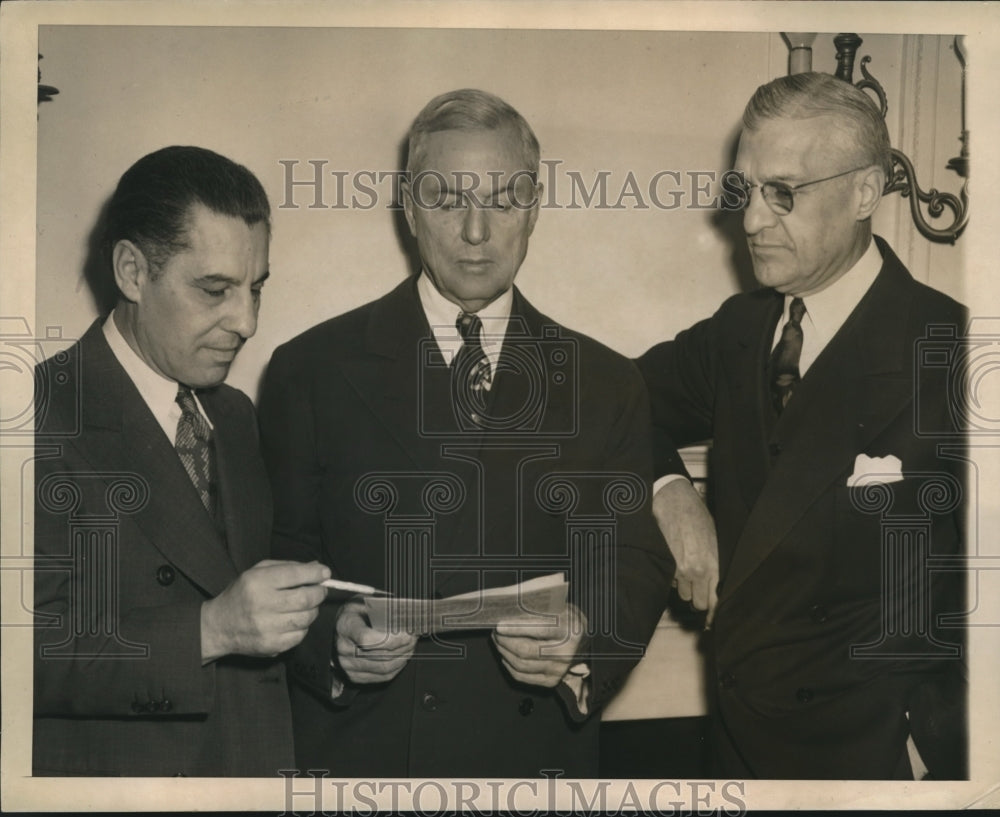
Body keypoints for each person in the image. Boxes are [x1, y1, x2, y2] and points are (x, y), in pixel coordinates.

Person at [258, 88, 680, 777]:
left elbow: (631, 561)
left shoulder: (606, 382)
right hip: (366, 755)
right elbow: (277, 555)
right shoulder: (311, 369)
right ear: (409, 208)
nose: (477, 231)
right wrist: (333, 639)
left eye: (505, 200)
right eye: (449, 198)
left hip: (531, 757)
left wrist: (582, 635)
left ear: (535, 208)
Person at [637, 72, 967, 779]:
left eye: (782, 192)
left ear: (864, 192)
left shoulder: (956, 352)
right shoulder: (739, 330)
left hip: (876, 763)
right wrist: (668, 488)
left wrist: (942, 760)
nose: (752, 220)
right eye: (745, 191)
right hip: (735, 748)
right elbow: (612, 402)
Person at [32, 146, 329, 776]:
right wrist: (209, 630)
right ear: (133, 272)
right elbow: (20, 651)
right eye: (215, 290)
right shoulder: (33, 416)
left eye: (255, 290)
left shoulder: (236, 416)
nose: (245, 322)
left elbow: (253, 618)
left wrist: (332, 642)